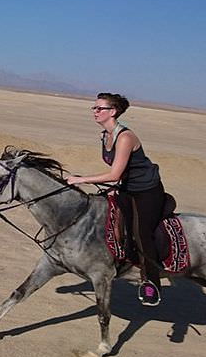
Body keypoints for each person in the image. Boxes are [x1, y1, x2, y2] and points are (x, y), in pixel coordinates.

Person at [67, 93, 165, 306]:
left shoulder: (125, 137)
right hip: (125, 188)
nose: (95, 111)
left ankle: (152, 284)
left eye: (99, 108)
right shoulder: (105, 135)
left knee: (141, 233)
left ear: (113, 112)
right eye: (93, 108)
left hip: (146, 191)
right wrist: (114, 188)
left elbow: (114, 174)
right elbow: (118, 173)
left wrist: (80, 179)